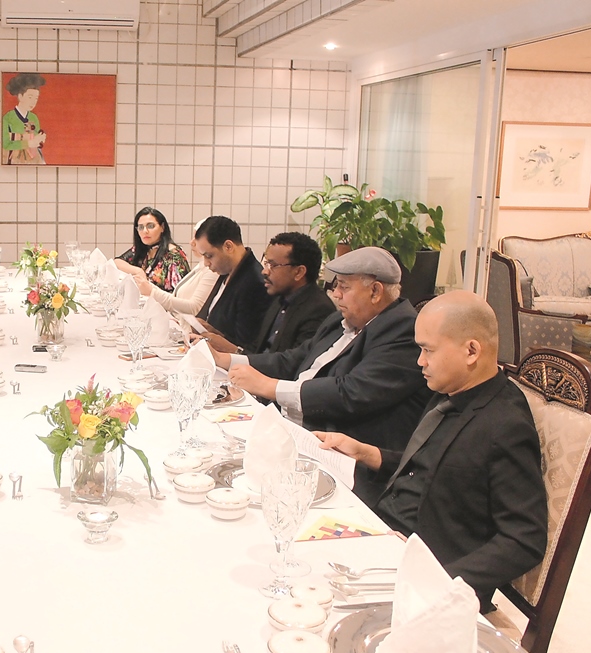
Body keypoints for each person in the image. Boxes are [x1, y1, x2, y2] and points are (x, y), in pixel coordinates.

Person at [315, 291, 547, 609]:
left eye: (427, 350)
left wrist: (433, 576)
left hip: (430, 578)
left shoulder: (505, 425)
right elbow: (433, 464)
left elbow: (525, 539)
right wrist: (365, 452)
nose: (419, 361)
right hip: (386, 534)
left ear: (471, 351)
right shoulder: (450, 388)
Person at [219, 247, 431, 505]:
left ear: (375, 291)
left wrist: (270, 387)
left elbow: (352, 392)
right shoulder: (340, 320)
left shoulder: (403, 331)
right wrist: (226, 359)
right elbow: (294, 359)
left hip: (343, 460)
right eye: (335, 285)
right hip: (294, 435)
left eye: (344, 287)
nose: (335, 294)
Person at [203, 232, 334, 354]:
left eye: (273, 265)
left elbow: (291, 365)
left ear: (299, 272)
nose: (264, 272)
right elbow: (257, 348)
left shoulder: (317, 310)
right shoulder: (280, 300)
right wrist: (220, 337)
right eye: (266, 263)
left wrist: (234, 352)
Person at [192, 215, 272, 351]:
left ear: (228, 246)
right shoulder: (226, 271)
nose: (206, 263)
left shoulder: (254, 283)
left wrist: (216, 336)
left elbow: (247, 346)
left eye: (209, 256)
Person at [134, 233, 219, 315]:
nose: (191, 242)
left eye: (197, 237)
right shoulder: (202, 266)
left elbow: (193, 308)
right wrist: (149, 286)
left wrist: (152, 292)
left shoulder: (212, 270)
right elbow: (176, 297)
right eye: (140, 227)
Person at [114, 207, 190, 293]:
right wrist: (138, 271)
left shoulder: (174, 255)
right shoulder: (143, 248)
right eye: (141, 227)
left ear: (162, 227)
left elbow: (181, 294)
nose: (145, 231)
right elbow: (117, 262)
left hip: (164, 304)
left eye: (150, 226)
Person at [1, 72, 47, 165]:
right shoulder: (7, 118)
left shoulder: (34, 117)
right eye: (30, 97)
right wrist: (29, 143)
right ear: (20, 96)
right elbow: (5, 144)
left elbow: (37, 143)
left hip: (33, 159)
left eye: (36, 98)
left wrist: (40, 138)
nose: (33, 102)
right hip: (13, 159)